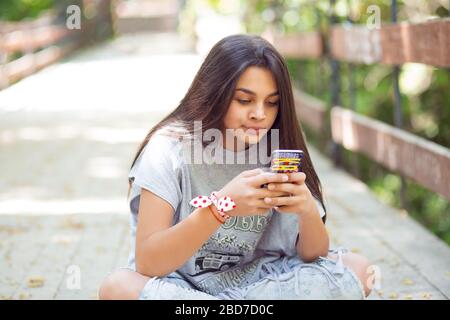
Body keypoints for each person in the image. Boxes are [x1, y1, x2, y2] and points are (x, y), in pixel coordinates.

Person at [98, 34, 372, 300]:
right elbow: (148, 262)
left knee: (360, 269)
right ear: (215, 93)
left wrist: (308, 211)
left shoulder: (277, 150)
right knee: (118, 287)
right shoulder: (168, 150)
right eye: (244, 100)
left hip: (261, 283)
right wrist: (220, 207)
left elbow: (313, 255)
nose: (260, 114)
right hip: (181, 286)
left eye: (272, 103)